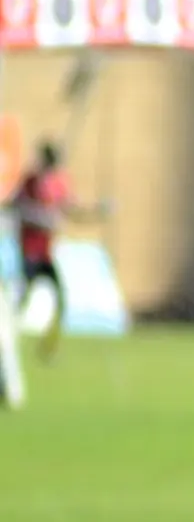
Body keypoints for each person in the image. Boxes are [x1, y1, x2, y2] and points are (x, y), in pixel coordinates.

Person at [9, 140, 98, 361]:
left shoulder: (58, 183)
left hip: (47, 254)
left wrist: (98, 211)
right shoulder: (30, 182)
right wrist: (41, 218)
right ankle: (9, 341)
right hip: (30, 251)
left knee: (60, 301)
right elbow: (16, 207)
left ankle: (49, 346)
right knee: (22, 301)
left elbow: (71, 210)